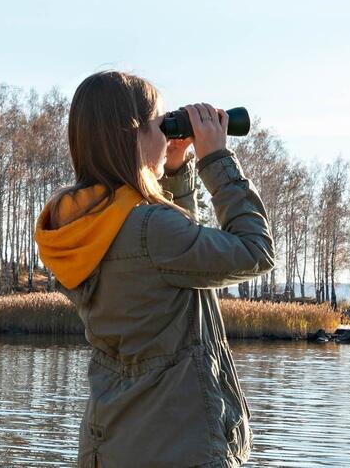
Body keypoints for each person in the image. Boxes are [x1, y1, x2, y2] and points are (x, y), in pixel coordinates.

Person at [34, 71, 275, 468]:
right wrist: (216, 159)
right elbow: (256, 250)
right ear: (134, 135)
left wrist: (176, 171)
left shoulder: (79, 223)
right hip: (177, 444)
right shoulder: (149, 230)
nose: (167, 135)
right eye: (161, 125)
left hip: (112, 438)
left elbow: (179, 262)